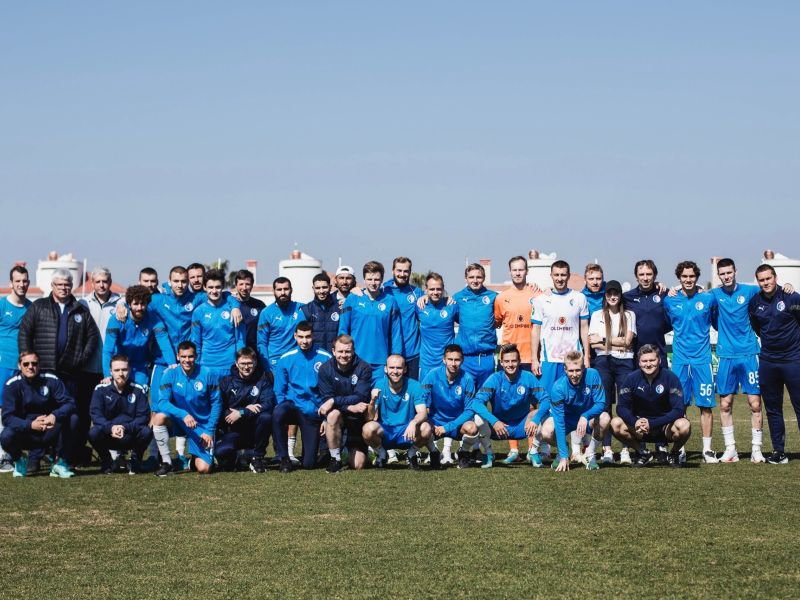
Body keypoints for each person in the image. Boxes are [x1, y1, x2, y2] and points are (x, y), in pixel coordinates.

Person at [710, 258, 790, 463]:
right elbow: (694, 295)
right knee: (725, 404)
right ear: (719, 275)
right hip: (726, 355)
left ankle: (756, 449)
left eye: (729, 272)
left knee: (755, 404)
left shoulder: (750, 291)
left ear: (735, 271)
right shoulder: (714, 294)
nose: (726, 276)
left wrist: (787, 287)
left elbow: (771, 289)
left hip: (749, 354)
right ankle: (731, 450)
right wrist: (671, 290)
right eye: (722, 273)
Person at [18, 268, 99, 470]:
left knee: (67, 415)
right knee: (40, 414)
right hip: (43, 373)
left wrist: (81, 359)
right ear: (52, 286)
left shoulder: (80, 309)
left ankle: (63, 458)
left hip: (70, 374)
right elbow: (25, 333)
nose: (63, 288)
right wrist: (29, 362)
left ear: (72, 286)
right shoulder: (38, 306)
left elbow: (92, 337)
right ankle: (35, 458)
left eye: (67, 284)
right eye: (59, 284)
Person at [663, 261, 718, 463]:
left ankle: (707, 450)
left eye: (692, 276)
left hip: (702, 360)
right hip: (680, 361)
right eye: (684, 276)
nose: (688, 280)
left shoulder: (708, 298)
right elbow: (665, 322)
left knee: (706, 406)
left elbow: (716, 322)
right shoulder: (670, 300)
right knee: (680, 407)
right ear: (679, 278)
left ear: (697, 277)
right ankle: (681, 449)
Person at [748, 264, 800, 464]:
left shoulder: (791, 297)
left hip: (793, 360)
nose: (765, 282)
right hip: (768, 362)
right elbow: (757, 328)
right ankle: (779, 451)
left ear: (775, 277)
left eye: (768, 278)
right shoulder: (755, 302)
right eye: (761, 280)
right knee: (773, 409)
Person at [611, 345, 691, 467]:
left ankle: (674, 453)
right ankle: (642, 453)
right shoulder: (631, 378)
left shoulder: (671, 377)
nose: (648, 364)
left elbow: (679, 410)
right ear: (639, 362)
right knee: (615, 423)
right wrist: (635, 421)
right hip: (640, 428)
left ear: (659, 360)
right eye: (644, 361)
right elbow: (621, 407)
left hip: (665, 427)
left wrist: (653, 423)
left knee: (684, 425)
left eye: (652, 360)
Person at [1, 351, 77, 478]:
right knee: (6, 436)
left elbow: (70, 403)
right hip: (26, 433)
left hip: (49, 430)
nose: (30, 367)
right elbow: (7, 418)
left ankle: (59, 463)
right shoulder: (12, 384)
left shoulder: (51, 379)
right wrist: (30, 424)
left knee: (73, 419)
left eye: (34, 363)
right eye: (26, 364)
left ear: (39, 365)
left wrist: (54, 415)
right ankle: (19, 460)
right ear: (19, 366)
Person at [494, 256, 541, 460]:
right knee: (509, 403)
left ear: (526, 271)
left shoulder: (537, 294)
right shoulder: (502, 298)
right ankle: (513, 449)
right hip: (509, 358)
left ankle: (532, 449)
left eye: (521, 269)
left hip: (530, 356)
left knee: (531, 404)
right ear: (509, 272)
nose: (518, 273)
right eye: (514, 270)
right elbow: (496, 322)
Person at [529, 351, 608, 472]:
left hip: (587, 419)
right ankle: (563, 451)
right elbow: (559, 422)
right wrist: (564, 455)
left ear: (583, 368)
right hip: (567, 420)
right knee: (546, 431)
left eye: (578, 370)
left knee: (605, 418)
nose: (575, 374)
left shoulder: (593, 374)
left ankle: (589, 454)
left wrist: (585, 416)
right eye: (571, 371)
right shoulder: (558, 387)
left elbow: (601, 403)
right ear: (565, 370)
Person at [472, 344, 548, 467]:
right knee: (477, 418)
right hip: (499, 427)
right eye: (507, 361)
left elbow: (546, 400)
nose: (510, 364)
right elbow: (476, 403)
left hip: (522, 426)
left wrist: (535, 420)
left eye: (514, 361)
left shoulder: (528, 377)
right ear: (501, 363)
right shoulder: (494, 379)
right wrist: (494, 421)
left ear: (519, 361)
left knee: (544, 415)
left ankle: (533, 451)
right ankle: (488, 453)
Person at [271, 321, 333, 473]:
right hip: (292, 407)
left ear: (313, 336)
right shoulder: (286, 358)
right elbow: (279, 390)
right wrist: (283, 408)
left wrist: (325, 417)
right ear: (295, 336)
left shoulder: (325, 357)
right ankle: (284, 458)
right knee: (278, 413)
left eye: (308, 337)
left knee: (309, 464)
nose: (304, 341)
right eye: (301, 337)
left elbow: (330, 391)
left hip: (313, 411)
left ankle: (310, 454)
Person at [588, 279, 636, 464]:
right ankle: (606, 449)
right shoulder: (597, 315)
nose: (613, 297)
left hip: (625, 362)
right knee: (604, 405)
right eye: (610, 293)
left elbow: (628, 342)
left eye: (616, 293)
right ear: (605, 296)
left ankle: (625, 448)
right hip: (603, 361)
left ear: (620, 296)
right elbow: (593, 342)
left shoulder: (629, 315)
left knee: (625, 404)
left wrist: (604, 339)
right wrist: (616, 342)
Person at [155, 341, 221, 474]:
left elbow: (217, 403)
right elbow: (162, 402)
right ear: (177, 357)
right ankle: (167, 462)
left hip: (201, 425)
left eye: (190, 356)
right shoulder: (170, 373)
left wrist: (209, 430)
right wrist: (183, 414)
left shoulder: (208, 373)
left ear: (196, 356)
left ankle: (193, 460)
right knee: (159, 418)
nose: (187, 360)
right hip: (179, 420)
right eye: (183, 356)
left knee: (204, 468)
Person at [78, 267, 122, 454]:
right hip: (88, 367)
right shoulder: (83, 303)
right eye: (98, 281)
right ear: (92, 283)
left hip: (111, 369)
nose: (102, 285)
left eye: (105, 281)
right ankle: (80, 452)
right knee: (84, 411)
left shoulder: (120, 302)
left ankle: (113, 453)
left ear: (110, 282)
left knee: (112, 411)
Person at [362, 354, 431, 470]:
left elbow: (423, 413)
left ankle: (411, 454)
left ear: (405, 369)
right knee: (367, 429)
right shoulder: (379, 385)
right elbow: (369, 418)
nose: (395, 371)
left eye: (399, 368)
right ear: (385, 369)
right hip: (386, 431)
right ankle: (382, 454)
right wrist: (372, 401)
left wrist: (413, 422)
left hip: (407, 431)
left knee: (426, 428)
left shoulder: (414, 386)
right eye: (391, 367)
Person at [316, 334, 373, 472]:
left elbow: (360, 396)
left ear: (353, 351)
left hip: (357, 420)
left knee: (358, 465)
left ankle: (350, 450)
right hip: (340, 417)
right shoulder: (325, 369)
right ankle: (335, 459)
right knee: (332, 415)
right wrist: (349, 407)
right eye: (340, 351)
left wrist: (334, 400)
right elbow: (327, 399)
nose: (344, 355)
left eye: (347, 351)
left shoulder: (364, 368)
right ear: (333, 351)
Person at [338, 261, 403, 381]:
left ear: (382, 279)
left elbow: (396, 333)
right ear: (364, 279)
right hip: (356, 361)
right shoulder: (352, 299)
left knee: (379, 393)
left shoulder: (390, 301)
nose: (373, 283)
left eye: (377, 279)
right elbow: (343, 330)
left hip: (381, 363)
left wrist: (396, 357)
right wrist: (344, 355)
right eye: (369, 279)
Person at [88, 354, 153, 475]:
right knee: (93, 432)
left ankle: (135, 460)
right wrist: (111, 427)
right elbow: (96, 415)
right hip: (109, 434)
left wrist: (125, 427)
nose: (121, 373)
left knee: (146, 431)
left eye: (124, 369)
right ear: (111, 372)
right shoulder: (100, 389)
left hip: (130, 434)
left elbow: (144, 416)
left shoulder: (138, 389)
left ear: (130, 370)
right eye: (117, 370)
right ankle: (107, 461)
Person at [102, 285, 176, 387]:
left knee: (139, 392)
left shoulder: (154, 319)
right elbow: (107, 349)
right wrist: (107, 375)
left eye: (143, 304)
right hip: (120, 365)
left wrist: (172, 364)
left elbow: (165, 344)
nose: (139, 308)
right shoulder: (116, 319)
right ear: (129, 304)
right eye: (136, 304)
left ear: (147, 303)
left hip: (140, 366)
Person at [216, 347, 275, 473]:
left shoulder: (263, 381)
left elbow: (268, 404)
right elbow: (220, 407)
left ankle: (257, 458)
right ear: (236, 364)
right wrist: (234, 413)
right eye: (243, 363)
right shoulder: (226, 382)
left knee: (266, 417)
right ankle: (243, 454)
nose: (246, 367)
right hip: (233, 429)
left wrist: (242, 412)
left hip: (254, 430)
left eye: (249, 363)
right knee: (221, 453)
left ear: (255, 363)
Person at [420, 344, 478, 469]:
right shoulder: (432, 375)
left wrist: (447, 427)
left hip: (457, 424)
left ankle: (463, 452)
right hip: (435, 422)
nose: (453, 363)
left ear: (462, 360)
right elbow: (420, 400)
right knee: (423, 427)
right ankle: (434, 452)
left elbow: (469, 410)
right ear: (444, 360)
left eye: (457, 360)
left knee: (472, 428)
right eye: (450, 359)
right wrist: (428, 420)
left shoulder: (467, 379)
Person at [0, 266, 32, 472]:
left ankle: (13, 452)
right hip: (3, 365)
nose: (21, 284)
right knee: (2, 409)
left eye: (25, 281)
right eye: (18, 281)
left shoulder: (31, 307)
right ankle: (3, 455)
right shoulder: (2, 305)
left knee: (19, 410)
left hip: (24, 368)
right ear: (11, 283)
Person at [191, 269, 245, 384]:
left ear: (223, 287)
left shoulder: (234, 310)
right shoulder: (198, 312)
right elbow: (196, 342)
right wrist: (196, 365)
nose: (214, 291)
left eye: (218, 287)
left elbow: (240, 340)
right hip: (206, 366)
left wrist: (240, 362)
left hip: (230, 366)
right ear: (204, 287)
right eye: (210, 287)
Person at [453, 263, 498, 386]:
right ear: (466, 279)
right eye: (471, 277)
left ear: (483, 278)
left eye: (478, 277)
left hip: (486, 358)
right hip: (465, 359)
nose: (475, 280)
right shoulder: (457, 298)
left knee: (486, 394)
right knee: (465, 395)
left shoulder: (493, 297)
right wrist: (424, 297)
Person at [383, 257, 425, 379]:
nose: (402, 274)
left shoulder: (417, 293)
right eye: (399, 270)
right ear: (392, 271)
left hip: (412, 353)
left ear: (410, 272)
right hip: (389, 354)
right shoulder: (383, 291)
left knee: (412, 389)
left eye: (406, 271)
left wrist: (447, 299)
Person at [623, 260, 671, 365]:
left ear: (655, 276)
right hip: (635, 355)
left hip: (659, 353)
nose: (645, 278)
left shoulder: (664, 294)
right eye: (641, 274)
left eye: (649, 274)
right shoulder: (627, 297)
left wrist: (698, 289)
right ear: (636, 276)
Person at [416, 272, 459, 382]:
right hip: (426, 364)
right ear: (426, 289)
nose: (435, 292)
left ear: (443, 289)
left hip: (447, 364)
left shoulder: (452, 305)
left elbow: (466, 325)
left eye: (438, 289)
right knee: (424, 393)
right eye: (432, 289)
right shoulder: (420, 306)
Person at [257, 277, 306, 372]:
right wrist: (267, 368)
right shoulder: (266, 313)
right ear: (273, 291)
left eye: (286, 289)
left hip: (296, 362)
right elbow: (261, 343)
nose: (283, 292)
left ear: (291, 290)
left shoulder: (302, 308)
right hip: (275, 364)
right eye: (279, 289)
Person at [301, 273, 341, 353]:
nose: (321, 291)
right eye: (318, 288)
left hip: (335, 356)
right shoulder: (306, 309)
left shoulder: (340, 307)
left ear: (330, 287)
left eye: (324, 287)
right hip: (315, 356)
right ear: (313, 289)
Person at [232, 269, 266, 352]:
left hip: (254, 351)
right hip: (234, 352)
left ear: (252, 285)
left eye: (247, 284)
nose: (244, 288)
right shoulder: (230, 305)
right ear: (236, 285)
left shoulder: (259, 305)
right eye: (241, 284)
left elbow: (264, 329)